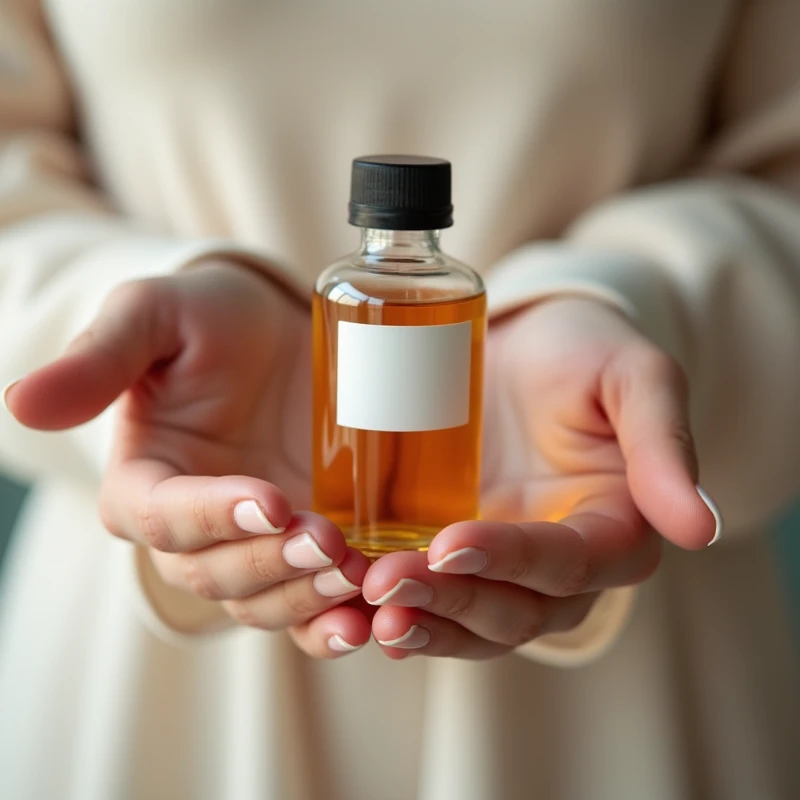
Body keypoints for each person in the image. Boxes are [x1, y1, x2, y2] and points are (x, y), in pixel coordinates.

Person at [1, 0, 799, 798]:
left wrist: (644, 306)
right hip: (158, 598)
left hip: (616, 608)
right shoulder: (348, 288)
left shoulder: (442, 291)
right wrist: (109, 319)